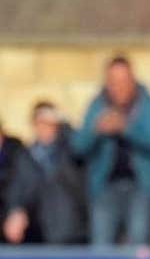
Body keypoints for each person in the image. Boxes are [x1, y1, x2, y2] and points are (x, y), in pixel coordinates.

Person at [73, 55, 150, 246]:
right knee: (100, 244)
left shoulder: (146, 104)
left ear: (132, 81)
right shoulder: (97, 105)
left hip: (140, 186)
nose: (118, 87)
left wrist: (125, 128)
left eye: (123, 81)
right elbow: (78, 146)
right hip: (105, 186)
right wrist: (96, 130)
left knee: (138, 240)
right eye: (113, 82)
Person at [3, 102, 88, 245]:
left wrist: (64, 124)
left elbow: (81, 146)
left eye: (49, 123)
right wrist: (15, 210)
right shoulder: (26, 155)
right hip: (40, 230)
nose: (44, 128)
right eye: (40, 123)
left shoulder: (68, 151)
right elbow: (17, 188)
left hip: (71, 230)